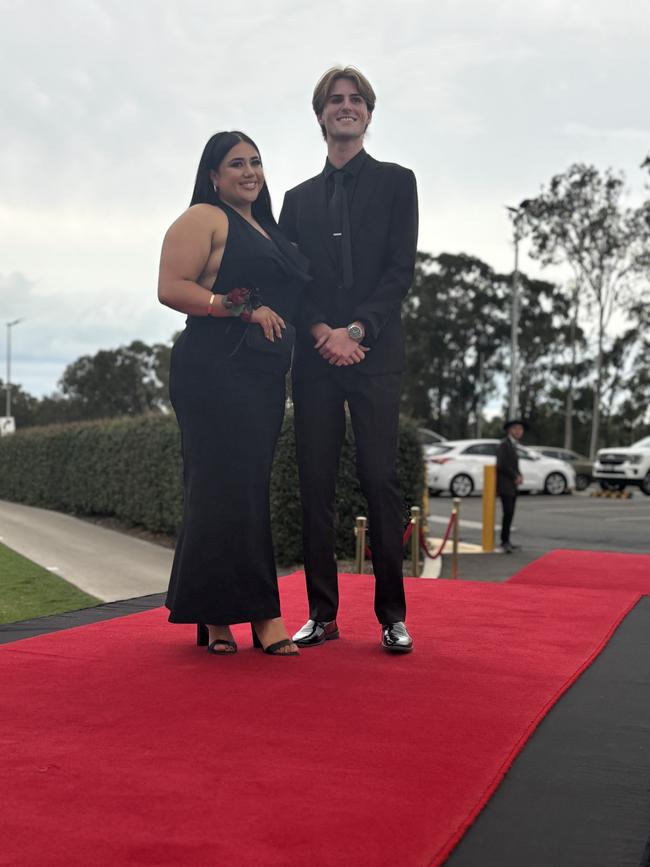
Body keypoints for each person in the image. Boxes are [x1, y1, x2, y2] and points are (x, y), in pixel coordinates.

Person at [279, 66, 419, 654]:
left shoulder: (397, 182)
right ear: (320, 115)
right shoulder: (296, 200)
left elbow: (399, 270)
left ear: (368, 113)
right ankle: (322, 613)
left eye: (355, 99)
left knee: (379, 481)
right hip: (315, 361)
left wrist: (357, 329)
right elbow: (291, 281)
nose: (345, 106)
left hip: (375, 355)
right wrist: (320, 332)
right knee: (315, 485)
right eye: (335, 100)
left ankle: (392, 615)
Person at [158, 131, 310, 656]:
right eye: (236, 163)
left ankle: (214, 614)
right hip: (213, 370)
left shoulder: (265, 228)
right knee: (226, 488)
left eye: (256, 162)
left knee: (239, 489)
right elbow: (171, 287)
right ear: (214, 175)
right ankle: (261, 615)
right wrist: (241, 308)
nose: (249, 171)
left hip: (262, 376)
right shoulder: (205, 217)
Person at [496, 419, 526, 553]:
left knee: (510, 514)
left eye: (520, 429)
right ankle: (504, 541)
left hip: (512, 486)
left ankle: (507, 540)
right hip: (505, 485)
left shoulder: (514, 445)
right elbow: (502, 465)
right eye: (515, 428)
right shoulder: (504, 445)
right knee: (507, 513)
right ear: (509, 430)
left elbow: (513, 464)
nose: (518, 431)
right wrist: (515, 476)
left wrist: (519, 474)